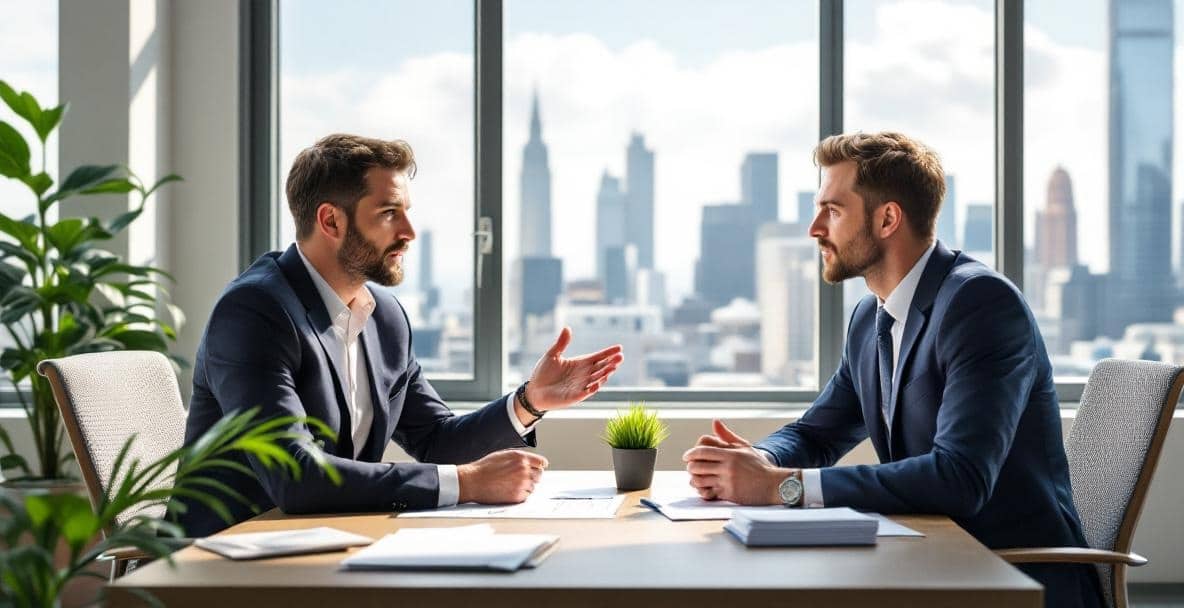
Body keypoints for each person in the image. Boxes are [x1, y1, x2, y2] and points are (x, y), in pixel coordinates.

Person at [683, 132, 1102, 607]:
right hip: (930, 561)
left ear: (887, 219)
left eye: (832, 210)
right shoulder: (871, 317)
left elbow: (960, 478)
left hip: (1014, 576)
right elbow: (818, 433)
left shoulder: (980, 304)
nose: (815, 228)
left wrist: (782, 486)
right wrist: (758, 460)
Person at [178, 133, 623, 536]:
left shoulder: (384, 317)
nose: (409, 233)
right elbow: (294, 477)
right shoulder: (255, 312)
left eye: (406, 212)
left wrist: (530, 401)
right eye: (389, 213)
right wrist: (466, 482)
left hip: (328, 544)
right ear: (331, 221)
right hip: (224, 559)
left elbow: (436, 439)